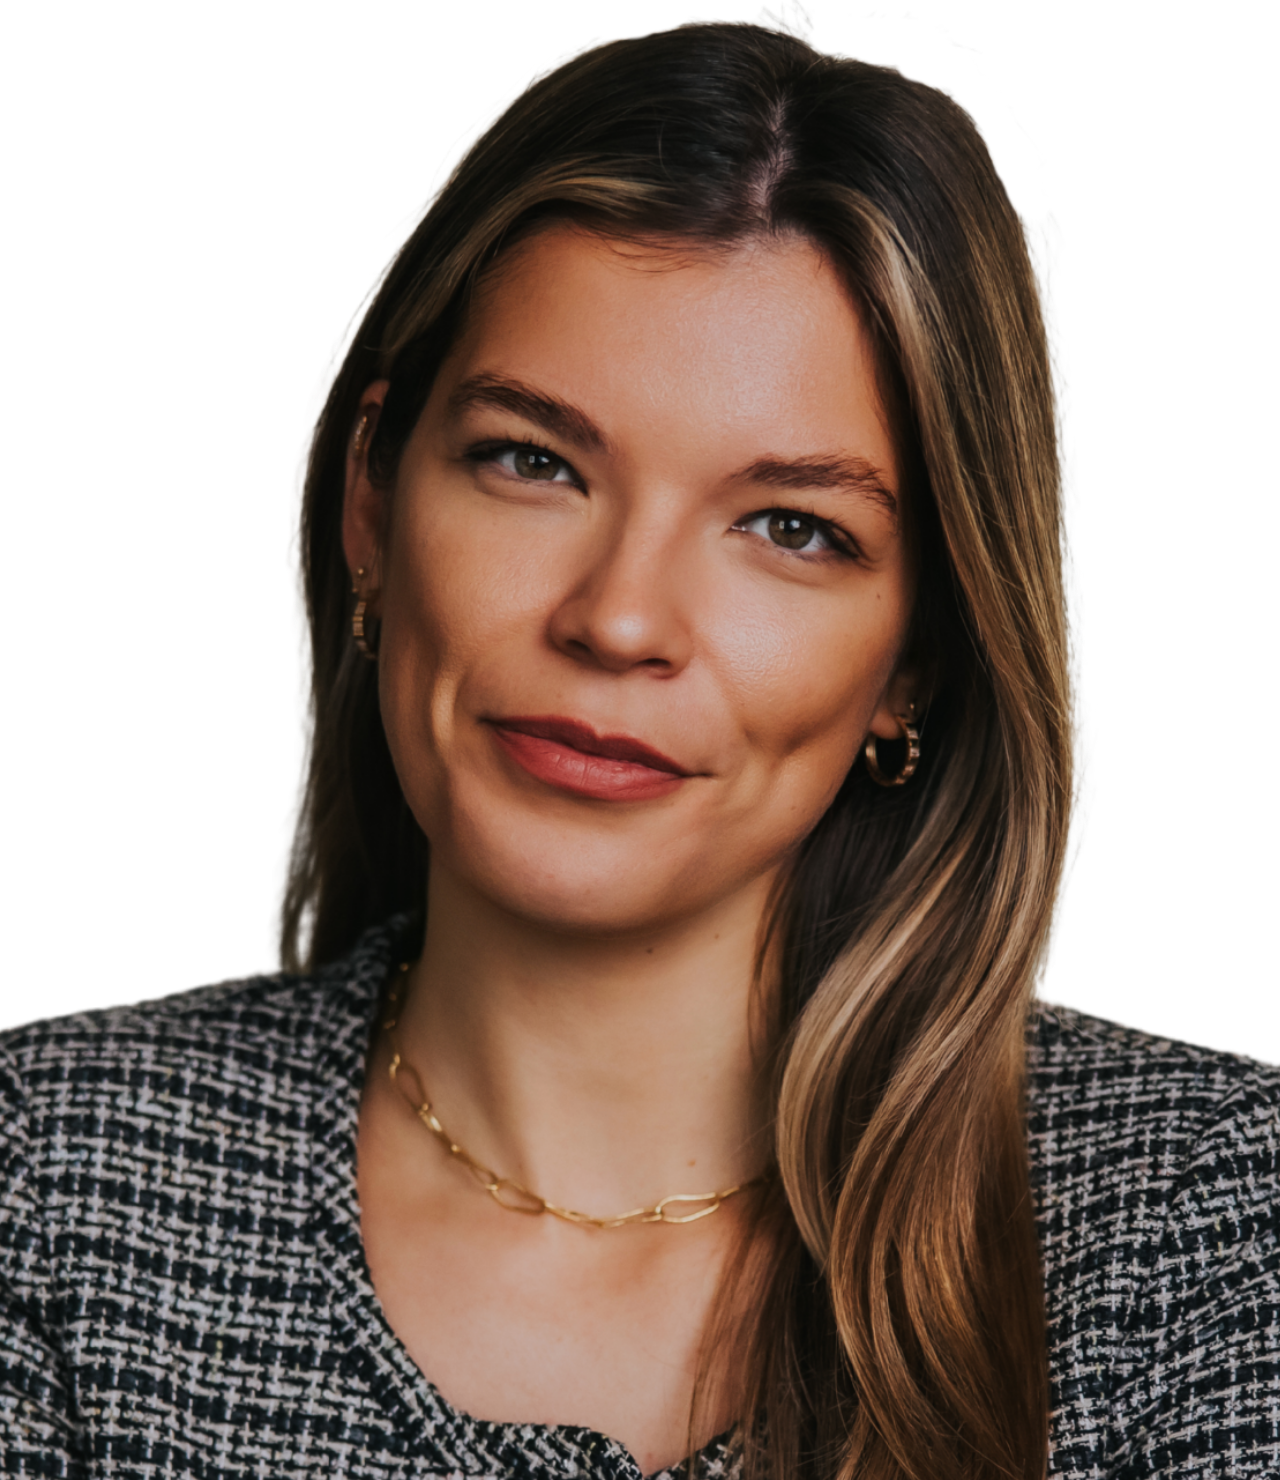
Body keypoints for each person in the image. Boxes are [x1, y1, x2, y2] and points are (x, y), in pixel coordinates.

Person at [2, 13, 1276, 1480]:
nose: (618, 620)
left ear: (917, 659)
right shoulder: (52, 1182)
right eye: (532, 461)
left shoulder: (1201, 1218)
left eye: (791, 528)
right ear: (373, 503)